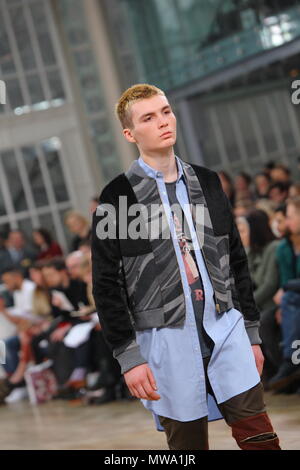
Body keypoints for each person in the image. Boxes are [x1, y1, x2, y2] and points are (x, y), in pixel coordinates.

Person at [91, 83, 281, 450]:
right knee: (188, 449)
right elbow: (106, 285)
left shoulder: (208, 182)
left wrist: (252, 333)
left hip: (225, 329)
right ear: (130, 133)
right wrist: (129, 357)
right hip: (165, 341)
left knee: (261, 438)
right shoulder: (116, 197)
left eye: (166, 111)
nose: (163, 121)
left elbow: (236, 261)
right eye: (149, 117)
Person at [269, 197, 300, 391]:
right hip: (295, 298)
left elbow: (285, 285)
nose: (286, 223)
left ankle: (292, 360)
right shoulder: (285, 247)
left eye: (289, 217)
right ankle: (291, 365)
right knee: (268, 319)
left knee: (289, 299)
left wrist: (287, 288)